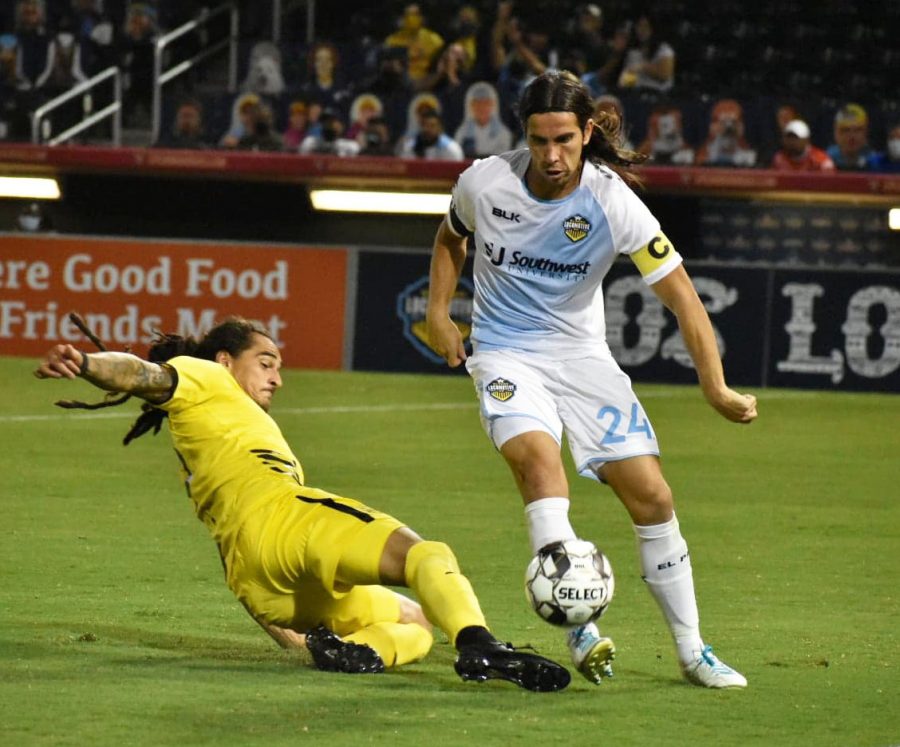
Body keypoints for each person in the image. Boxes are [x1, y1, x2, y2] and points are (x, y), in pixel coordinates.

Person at [425, 70, 756, 689]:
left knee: (653, 497)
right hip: (505, 353)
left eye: (565, 141)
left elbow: (684, 300)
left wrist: (715, 387)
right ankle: (577, 620)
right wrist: (438, 311)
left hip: (582, 357)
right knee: (538, 464)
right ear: (524, 134)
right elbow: (451, 238)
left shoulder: (612, 202)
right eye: (540, 140)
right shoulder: (484, 182)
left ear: (588, 132)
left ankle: (692, 652)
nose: (551, 156)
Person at [34, 317, 571, 692]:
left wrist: (280, 627)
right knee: (427, 556)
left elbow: (233, 547)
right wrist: (85, 363)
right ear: (225, 360)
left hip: (259, 579)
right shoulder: (208, 378)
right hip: (286, 522)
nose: (278, 377)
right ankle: (482, 645)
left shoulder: (212, 437)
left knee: (416, 620)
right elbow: (145, 374)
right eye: (265, 362)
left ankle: (361, 654)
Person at [826, 103, 880, 171]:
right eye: (845, 130)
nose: (852, 136)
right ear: (835, 133)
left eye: (858, 130)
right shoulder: (826, 159)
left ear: (866, 133)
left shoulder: (875, 161)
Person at [396, 107, 464, 160]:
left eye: (432, 125)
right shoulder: (410, 147)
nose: (427, 129)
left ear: (440, 128)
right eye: (424, 125)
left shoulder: (451, 149)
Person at [770, 119, 834, 171]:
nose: (791, 142)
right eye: (788, 138)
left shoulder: (821, 160)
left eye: (796, 138)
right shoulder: (779, 159)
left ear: (806, 140)